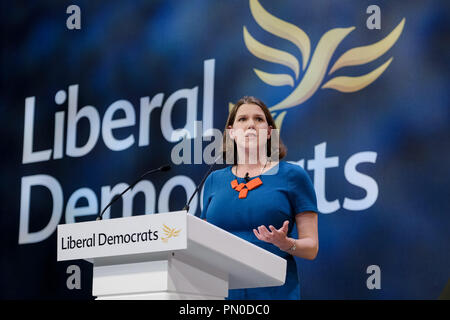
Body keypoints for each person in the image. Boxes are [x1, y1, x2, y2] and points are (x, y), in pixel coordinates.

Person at [200, 96, 319, 300]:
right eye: (243, 119)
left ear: (270, 132)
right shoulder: (213, 180)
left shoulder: (293, 176)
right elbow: (201, 242)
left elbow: (311, 248)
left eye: (259, 119)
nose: (251, 125)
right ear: (231, 132)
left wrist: (286, 243)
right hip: (219, 293)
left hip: (274, 293)